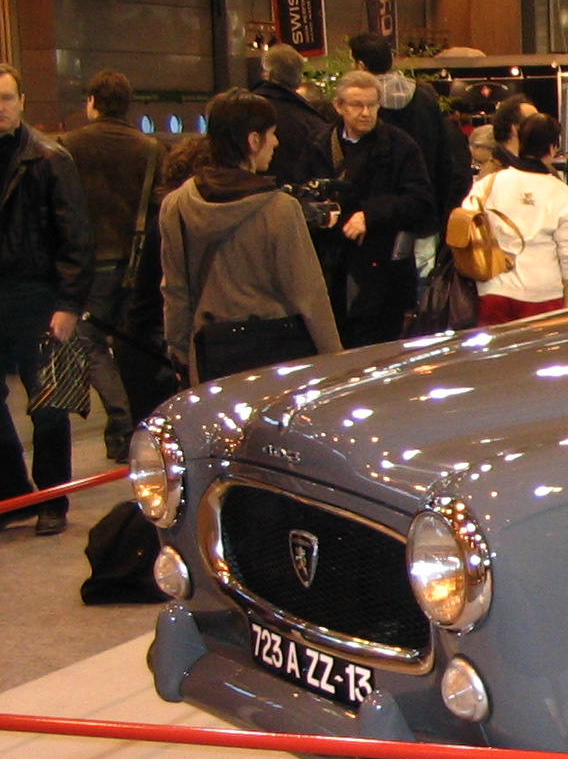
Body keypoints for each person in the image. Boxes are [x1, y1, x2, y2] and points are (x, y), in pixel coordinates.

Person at [158, 90, 341, 377]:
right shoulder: (279, 208)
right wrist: (334, 359)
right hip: (273, 354)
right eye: (272, 134)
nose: (276, 142)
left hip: (210, 352)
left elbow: (175, 290)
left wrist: (181, 352)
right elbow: (309, 294)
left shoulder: (177, 205)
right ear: (253, 141)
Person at [0, 64, 91, 534]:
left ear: (21, 101)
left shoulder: (49, 158)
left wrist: (69, 303)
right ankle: (13, 494)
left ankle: (53, 499)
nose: (0, 108)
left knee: (49, 404)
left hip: (39, 295)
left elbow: (75, 236)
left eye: (6, 98)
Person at [59, 70, 164, 462]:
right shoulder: (151, 149)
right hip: (139, 262)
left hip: (89, 261)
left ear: (92, 102)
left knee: (89, 341)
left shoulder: (68, 147)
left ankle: (122, 420)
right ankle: (136, 425)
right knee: (132, 343)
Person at [327, 69, 435, 348]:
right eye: (357, 105)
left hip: (382, 270)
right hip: (331, 265)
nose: (365, 113)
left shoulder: (400, 145)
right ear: (338, 106)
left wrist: (371, 214)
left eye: (372, 105)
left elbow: (420, 201)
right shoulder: (320, 143)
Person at [463, 113, 568, 327]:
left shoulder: (489, 183)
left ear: (520, 141)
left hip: (493, 290)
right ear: (553, 147)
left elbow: (466, 224)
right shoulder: (562, 194)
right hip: (543, 294)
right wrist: (567, 296)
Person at [348, 33, 470, 220]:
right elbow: (444, 158)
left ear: (361, 66)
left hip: (375, 215)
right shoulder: (424, 97)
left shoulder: (359, 108)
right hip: (425, 209)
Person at [251, 44, 336, 198]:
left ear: (267, 74)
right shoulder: (314, 121)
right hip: (300, 202)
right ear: (299, 79)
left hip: (248, 199)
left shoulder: (246, 110)